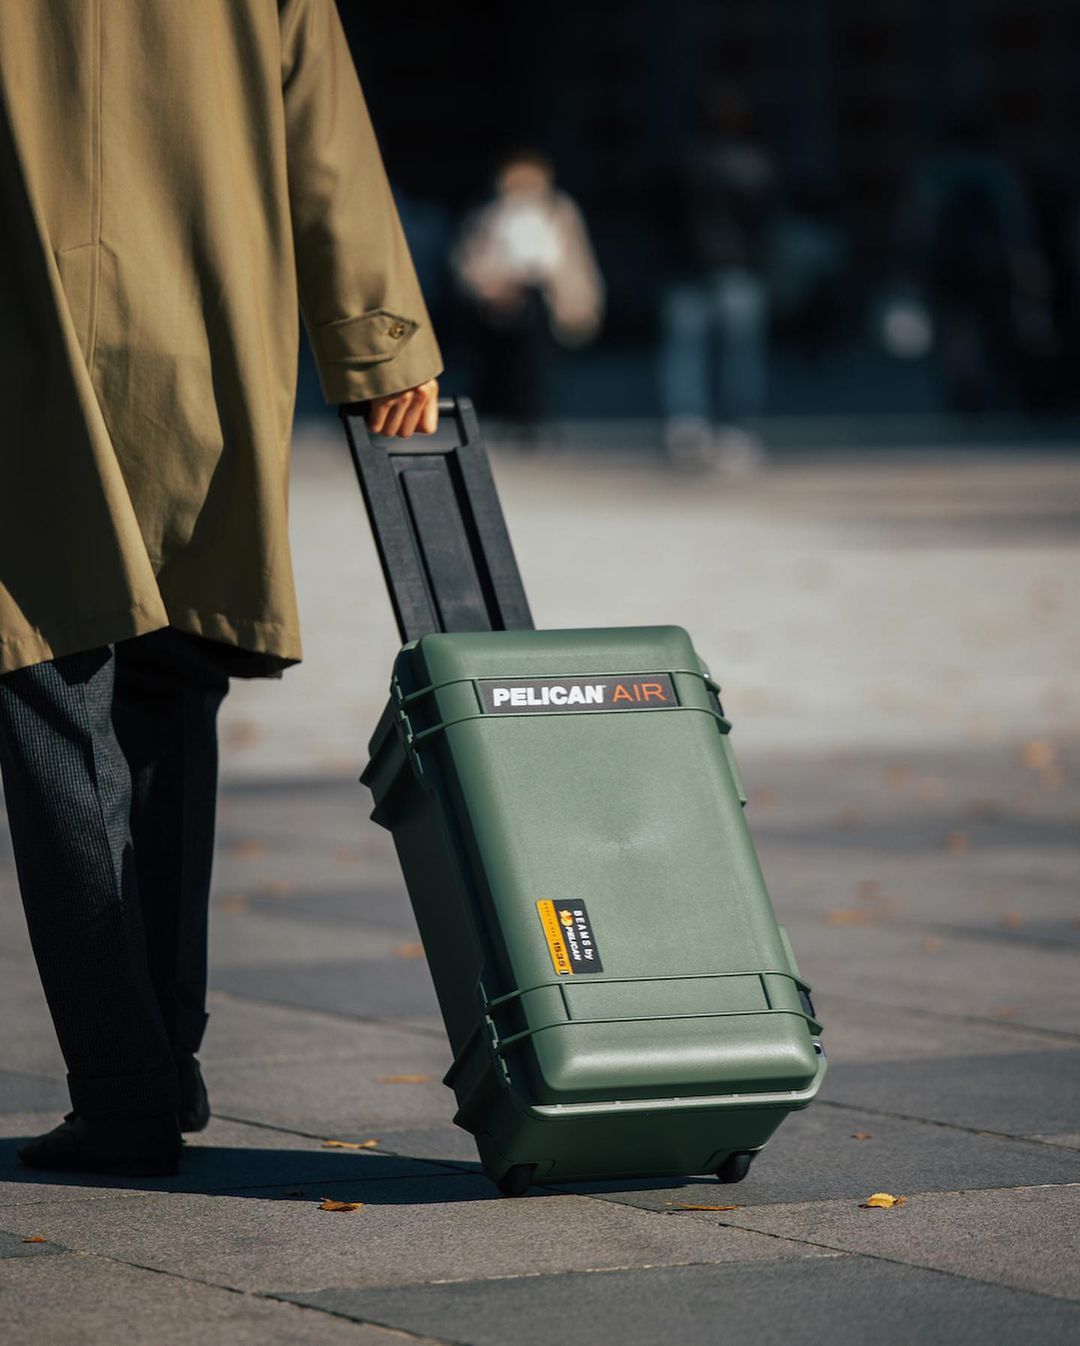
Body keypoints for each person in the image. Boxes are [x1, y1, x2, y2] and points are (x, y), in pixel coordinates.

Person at [0, 0, 441, 1176]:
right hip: (201, 325)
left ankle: (125, 1084)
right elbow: (321, 123)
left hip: (27, 328)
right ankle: (163, 1052)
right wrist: (381, 339)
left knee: (45, 689)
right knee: (168, 686)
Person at [658, 84, 776, 470]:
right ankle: (732, 429)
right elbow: (765, 222)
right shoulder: (754, 163)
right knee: (736, 355)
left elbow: (658, 214)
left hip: (693, 265)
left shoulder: (681, 160)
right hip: (735, 266)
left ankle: (688, 426)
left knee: (688, 351)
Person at [453, 149, 604, 433]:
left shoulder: (560, 210)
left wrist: (582, 299)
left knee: (537, 362)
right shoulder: (491, 213)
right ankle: (503, 414)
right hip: (500, 296)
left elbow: (575, 257)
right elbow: (470, 256)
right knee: (499, 361)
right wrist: (488, 286)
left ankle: (534, 417)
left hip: (546, 295)